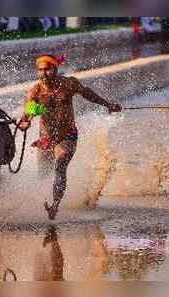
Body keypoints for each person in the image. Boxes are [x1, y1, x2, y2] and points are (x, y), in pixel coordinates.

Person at [18, 54, 122, 220]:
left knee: (60, 164)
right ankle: (40, 201)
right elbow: (29, 111)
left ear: (56, 69)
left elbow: (88, 94)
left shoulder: (69, 83)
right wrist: (25, 122)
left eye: (47, 69)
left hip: (67, 134)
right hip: (46, 137)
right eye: (40, 70)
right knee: (43, 173)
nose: (43, 74)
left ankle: (55, 205)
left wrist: (108, 104)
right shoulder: (35, 90)